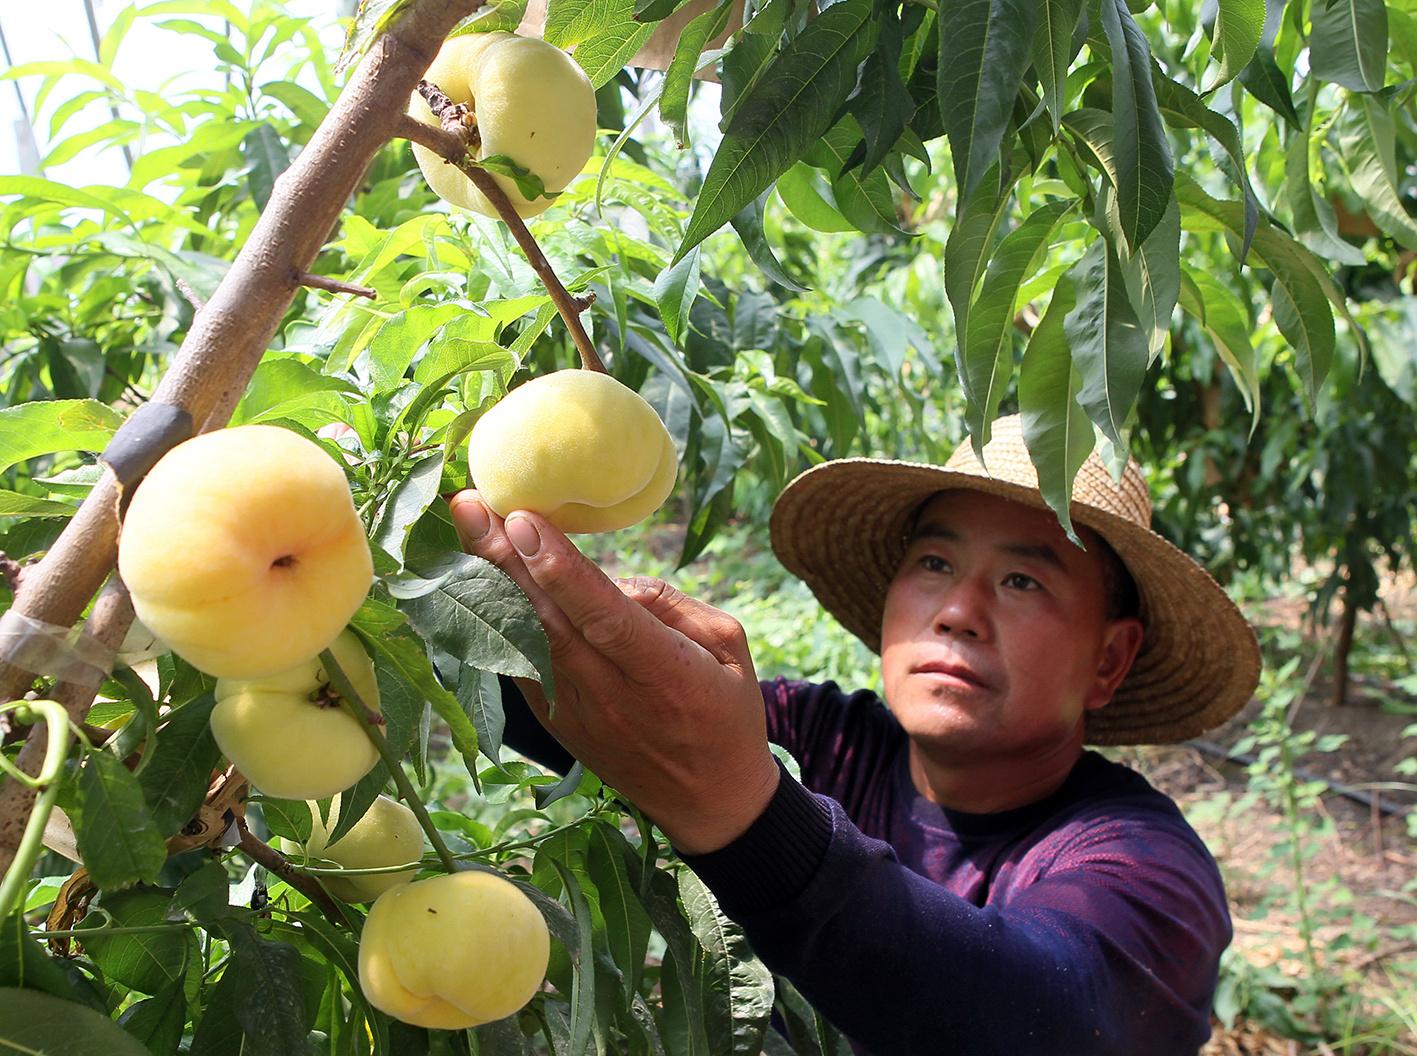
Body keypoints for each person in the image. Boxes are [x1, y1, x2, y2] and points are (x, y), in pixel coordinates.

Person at [447, 414, 1261, 1055]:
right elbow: (583, 712)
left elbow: (1044, 1017)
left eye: (1022, 579)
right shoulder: (818, 739)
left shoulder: (1145, 868)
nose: (956, 612)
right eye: (935, 565)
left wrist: (744, 814)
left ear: (1109, 659)